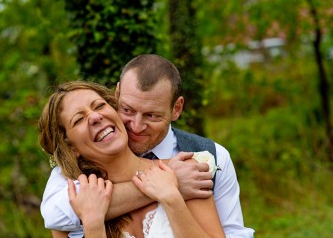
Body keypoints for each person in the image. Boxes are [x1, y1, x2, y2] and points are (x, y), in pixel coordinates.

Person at [40, 54, 254, 237]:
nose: (136, 125)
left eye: (151, 115)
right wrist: (94, 223)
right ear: (117, 98)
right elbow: (53, 214)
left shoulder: (191, 166)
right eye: (128, 110)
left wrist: (172, 196)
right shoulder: (72, 188)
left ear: (176, 109)